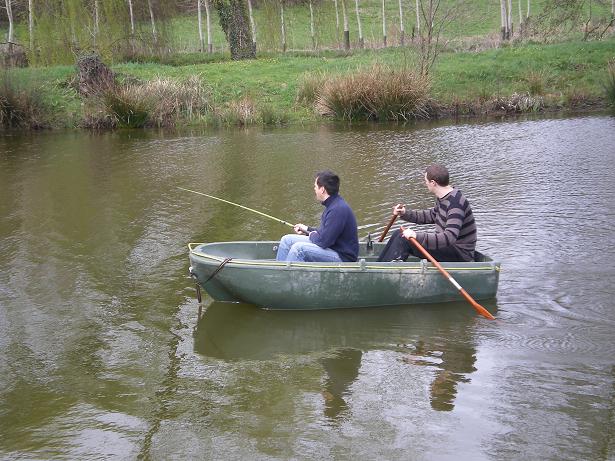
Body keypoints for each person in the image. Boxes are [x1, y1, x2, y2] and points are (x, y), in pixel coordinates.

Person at [377, 164, 477, 262]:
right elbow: (431, 215)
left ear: (433, 182)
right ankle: (378, 267)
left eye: (426, 181)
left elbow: (449, 237)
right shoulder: (444, 197)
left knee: (404, 239)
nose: (425, 183)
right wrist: (404, 213)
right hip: (447, 247)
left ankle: (381, 274)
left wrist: (416, 236)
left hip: (459, 254)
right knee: (399, 233)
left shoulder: (456, 203)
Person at [276, 170, 359, 262]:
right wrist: (307, 229)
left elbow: (323, 241)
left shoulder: (338, 209)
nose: (314, 189)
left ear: (322, 189)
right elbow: (324, 233)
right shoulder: (333, 205)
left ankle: (286, 276)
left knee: (298, 249)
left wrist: (311, 234)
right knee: (286, 240)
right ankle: (279, 273)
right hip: (333, 248)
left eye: (315, 187)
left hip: (342, 257)